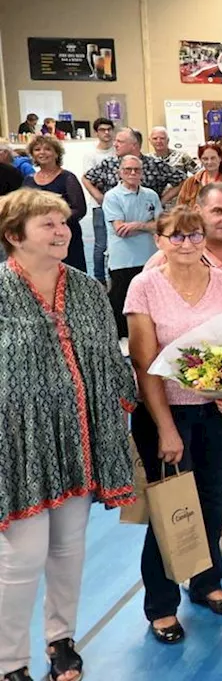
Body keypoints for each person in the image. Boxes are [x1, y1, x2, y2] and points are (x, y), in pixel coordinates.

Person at [0, 189, 136, 681]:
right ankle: (9, 661)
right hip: (20, 441)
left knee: (68, 547)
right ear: (15, 236)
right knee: (22, 555)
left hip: (80, 434)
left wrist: (119, 406)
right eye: (48, 225)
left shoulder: (84, 288)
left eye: (64, 223)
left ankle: (61, 638)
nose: (63, 232)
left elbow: (107, 353)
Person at [125, 205, 222, 645]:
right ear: (158, 241)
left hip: (217, 408)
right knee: (171, 504)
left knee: (211, 497)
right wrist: (166, 428)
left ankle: (205, 581)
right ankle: (161, 604)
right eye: (176, 236)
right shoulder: (144, 288)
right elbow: (145, 364)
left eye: (194, 236)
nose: (186, 244)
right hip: (167, 412)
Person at [143, 181, 222, 563]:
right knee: (176, 498)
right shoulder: (159, 269)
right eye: (216, 212)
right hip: (176, 403)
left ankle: (211, 560)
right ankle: (168, 589)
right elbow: (146, 357)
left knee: (212, 486)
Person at [103, 155, 161, 337]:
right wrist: (147, 225)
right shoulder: (112, 197)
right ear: (120, 172)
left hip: (149, 257)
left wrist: (137, 225)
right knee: (122, 301)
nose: (133, 173)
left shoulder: (151, 195)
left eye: (137, 170)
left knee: (150, 301)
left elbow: (161, 226)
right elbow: (121, 229)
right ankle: (121, 338)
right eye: (128, 170)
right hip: (123, 260)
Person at [22, 136, 87, 272]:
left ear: (56, 153)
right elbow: (23, 209)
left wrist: (53, 222)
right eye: (37, 149)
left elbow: (79, 209)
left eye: (47, 149)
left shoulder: (67, 177)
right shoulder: (28, 180)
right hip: (38, 240)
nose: (42, 152)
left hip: (65, 237)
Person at [83, 128, 185, 208]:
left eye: (120, 142)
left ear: (134, 145)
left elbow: (183, 180)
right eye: (115, 141)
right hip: (112, 217)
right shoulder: (109, 163)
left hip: (145, 218)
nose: (115, 145)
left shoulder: (155, 165)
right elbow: (86, 178)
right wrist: (99, 197)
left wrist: (162, 200)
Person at [86, 118, 116, 281]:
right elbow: (88, 179)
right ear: (97, 132)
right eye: (102, 130)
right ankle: (99, 279)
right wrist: (100, 197)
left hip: (120, 205)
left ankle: (115, 276)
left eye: (109, 129)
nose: (106, 133)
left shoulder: (117, 152)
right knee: (101, 245)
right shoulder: (91, 155)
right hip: (99, 206)